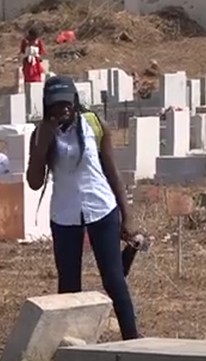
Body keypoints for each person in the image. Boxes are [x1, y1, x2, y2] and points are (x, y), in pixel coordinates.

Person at [25, 75, 140, 340]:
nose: (62, 109)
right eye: (55, 105)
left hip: (100, 207)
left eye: (66, 103)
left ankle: (132, 339)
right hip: (65, 215)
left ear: (75, 102)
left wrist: (127, 216)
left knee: (113, 280)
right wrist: (41, 148)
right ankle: (72, 343)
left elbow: (112, 172)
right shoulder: (42, 133)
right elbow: (33, 183)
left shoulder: (94, 124)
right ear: (47, 106)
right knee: (69, 285)